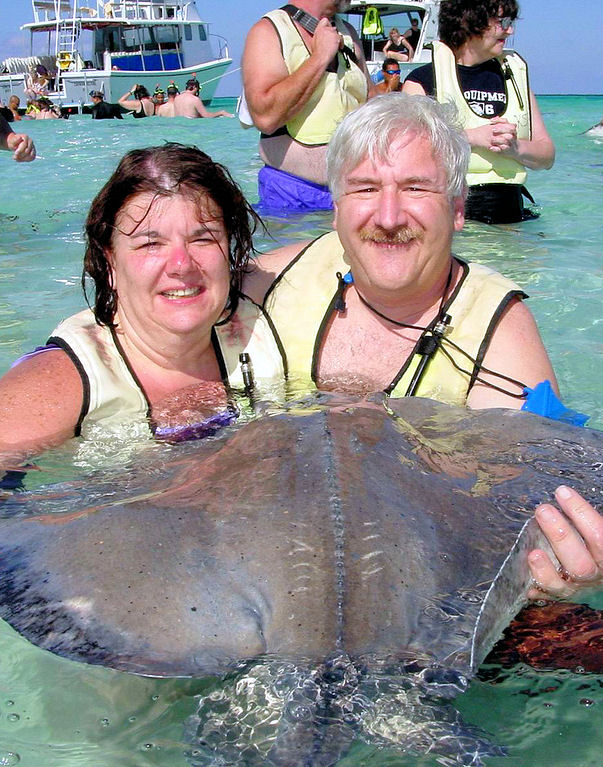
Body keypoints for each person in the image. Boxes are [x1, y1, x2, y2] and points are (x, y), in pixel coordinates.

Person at [242, 92, 601, 600]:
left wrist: (563, 571)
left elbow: (536, 494)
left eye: (415, 187)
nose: (388, 216)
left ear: (457, 210)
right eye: (365, 188)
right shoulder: (272, 279)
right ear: (337, 208)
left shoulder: (497, 334)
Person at [0, 143, 284, 460]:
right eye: (150, 244)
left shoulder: (259, 323)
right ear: (110, 265)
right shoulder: (58, 386)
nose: (182, 265)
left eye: (203, 238)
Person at [402, 0, 555, 225]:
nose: (509, 30)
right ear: (470, 22)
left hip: (512, 213)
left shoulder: (515, 81)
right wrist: (473, 137)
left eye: (510, 22)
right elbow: (409, 149)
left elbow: (547, 155)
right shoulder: (422, 81)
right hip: (454, 212)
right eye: (501, 22)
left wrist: (515, 148)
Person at [242, 0, 374, 212]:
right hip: (292, 201)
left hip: (351, 195)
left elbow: (372, 102)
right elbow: (265, 117)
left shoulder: (347, 32)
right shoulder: (268, 31)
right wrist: (320, 57)